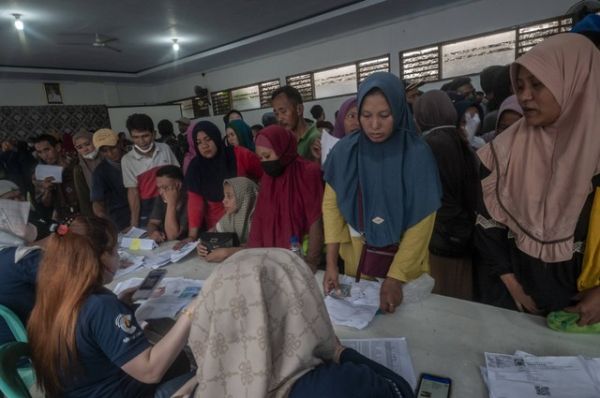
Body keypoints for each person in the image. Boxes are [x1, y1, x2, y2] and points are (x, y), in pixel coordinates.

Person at [474, 33, 600, 326]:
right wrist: (513, 286)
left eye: (537, 84)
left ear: (576, 83)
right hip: (517, 306)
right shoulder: (501, 153)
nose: (525, 96)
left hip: (585, 315)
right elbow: (487, 226)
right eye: (519, 86)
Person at [175, 248, 415, 398]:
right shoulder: (334, 386)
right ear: (304, 301)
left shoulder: (206, 387)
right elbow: (400, 389)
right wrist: (342, 353)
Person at [27, 216, 195, 397]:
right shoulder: (100, 307)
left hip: (82, 390)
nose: (119, 257)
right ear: (100, 259)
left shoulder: (53, 300)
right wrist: (191, 312)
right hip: (118, 390)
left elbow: (88, 335)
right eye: (115, 251)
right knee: (209, 374)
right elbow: (150, 371)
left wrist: (122, 304)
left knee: (177, 360)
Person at [322, 72, 441, 313]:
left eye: (384, 116)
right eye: (366, 116)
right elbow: (331, 206)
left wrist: (396, 277)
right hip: (358, 258)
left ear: (398, 111)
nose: (374, 125)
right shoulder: (345, 152)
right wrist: (331, 263)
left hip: (406, 265)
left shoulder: (417, 154)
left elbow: (422, 220)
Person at [413, 90, 479, 300]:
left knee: (444, 299)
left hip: (445, 236)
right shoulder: (460, 138)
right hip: (466, 232)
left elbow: (436, 197)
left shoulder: (430, 145)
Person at [247, 125, 324, 271]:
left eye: (268, 156)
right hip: (270, 260)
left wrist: (311, 262)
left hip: (300, 258)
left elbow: (316, 219)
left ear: (282, 149)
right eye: (260, 158)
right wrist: (254, 257)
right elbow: (260, 219)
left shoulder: (308, 172)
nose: (264, 162)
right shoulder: (268, 178)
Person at [183, 121, 262, 243]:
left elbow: (264, 174)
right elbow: (195, 202)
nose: (204, 146)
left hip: (246, 222)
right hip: (217, 229)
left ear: (216, 137)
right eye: (199, 142)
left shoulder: (239, 154)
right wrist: (192, 236)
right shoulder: (195, 167)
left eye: (208, 139)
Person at [0, 180, 45, 346]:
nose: (19, 203)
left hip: (10, 351)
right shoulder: (20, 259)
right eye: (11, 200)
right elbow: (73, 278)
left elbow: (58, 231)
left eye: (20, 196)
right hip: (38, 345)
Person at [121, 113, 180, 228]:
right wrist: (134, 223)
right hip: (148, 210)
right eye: (136, 137)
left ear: (154, 134)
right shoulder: (127, 160)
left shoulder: (165, 149)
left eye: (145, 136)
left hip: (171, 205)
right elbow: (133, 192)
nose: (141, 141)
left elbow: (177, 176)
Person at [196, 177, 258, 262]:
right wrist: (202, 244)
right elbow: (212, 232)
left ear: (245, 197)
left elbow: (262, 248)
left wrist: (229, 252)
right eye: (224, 196)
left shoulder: (261, 220)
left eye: (229, 196)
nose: (223, 201)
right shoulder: (230, 217)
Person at [91, 129, 131, 232]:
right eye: (104, 150)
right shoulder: (100, 172)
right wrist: (108, 224)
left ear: (120, 143)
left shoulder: (134, 160)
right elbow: (97, 203)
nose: (110, 153)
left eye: (113, 148)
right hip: (120, 220)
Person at [32, 134, 79, 221]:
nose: (44, 155)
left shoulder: (75, 161)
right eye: (39, 152)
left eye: (47, 150)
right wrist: (47, 190)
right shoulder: (39, 174)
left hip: (86, 210)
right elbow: (46, 204)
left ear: (57, 147)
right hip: (63, 216)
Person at [271, 86, 321, 162]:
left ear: (299, 109)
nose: (279, 118)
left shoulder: (315, 140)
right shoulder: (285, 138)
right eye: (276, 114)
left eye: (283, 111)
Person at [147, 165, 188, 242]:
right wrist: (153, 232)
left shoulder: (190, 200)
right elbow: (152, 223)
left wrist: (171, 203)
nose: (161, 192)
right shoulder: (161, 197)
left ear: (178, 185)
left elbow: (172, 236)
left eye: (165, 187)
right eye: (159, 187)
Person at [72, 130, 102, 217]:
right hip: (97, 211)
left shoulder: (108, 158)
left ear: (95, 142)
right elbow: (83, 196)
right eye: (79, 147)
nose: (85, 149)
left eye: (88, 144)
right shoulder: (79, 169)